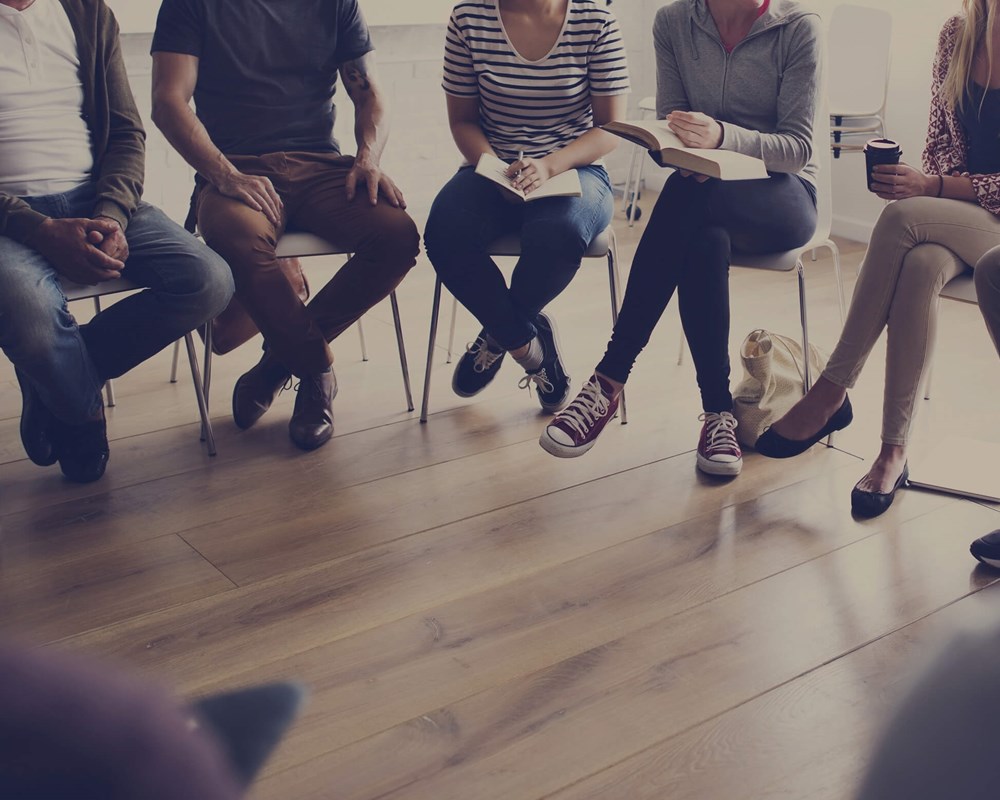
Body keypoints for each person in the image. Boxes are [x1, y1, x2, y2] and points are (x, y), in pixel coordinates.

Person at [539, 0, 821, 477]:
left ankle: (609, 377)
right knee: (702, 237)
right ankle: (718, 413)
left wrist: (722, 138)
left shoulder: (797, 27)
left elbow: (797, 148)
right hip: (703, 193)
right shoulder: (674, 22)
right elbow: (668, 137)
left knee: (684, 206)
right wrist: (681, 147)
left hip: (782, 197)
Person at [756, 0, 1000, 517]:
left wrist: (930, 188)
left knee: (899, 219)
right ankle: (893, 450)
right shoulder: (958, 35)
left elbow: (937, 176)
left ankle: (829, 393)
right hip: (964, 215)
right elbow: (939, 148)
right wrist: (927, 181)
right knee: (919, 265)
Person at [151, 0, 420, 452]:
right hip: (235, 170)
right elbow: (167, 101)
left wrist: (368, 158)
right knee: (239, 237)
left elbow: (369, 89)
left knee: (397, 235)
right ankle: (316, 372)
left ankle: (276, 365)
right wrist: (225, 175)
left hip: (322, 166)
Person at [0, 0, 234, 483]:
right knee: (30, 314)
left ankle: (52, 373)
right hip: (8, 218)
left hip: (97, 197)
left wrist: (110, 216)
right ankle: (80, 414)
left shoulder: (88, 14)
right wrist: (38, 228)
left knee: (210, 280)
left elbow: (127, 134)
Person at [423, 0, 630, 413]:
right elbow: (462, 120)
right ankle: (530, 347)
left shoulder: (596, 21)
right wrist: (495, 170)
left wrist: (550, 165)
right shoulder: (469, 18)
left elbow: (610, 129)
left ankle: (500, 334)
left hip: (577, 167)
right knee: (445, 233)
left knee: (559, 233)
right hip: (493, 166)